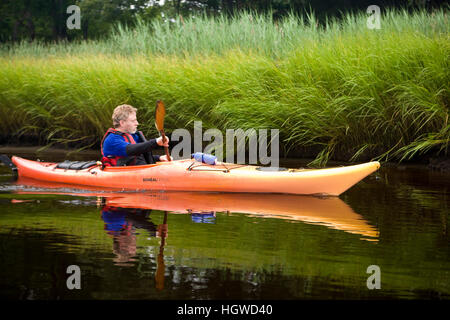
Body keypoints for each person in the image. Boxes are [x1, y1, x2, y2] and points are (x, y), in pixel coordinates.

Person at [101, 104, 171, 166]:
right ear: (122, 123)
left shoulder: (133, 136)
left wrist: (159, 158)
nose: (137, 123)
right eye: (133, 121)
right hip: (120, 175)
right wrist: (155, 142)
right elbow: (131, 150)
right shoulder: (112, 140)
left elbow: (139, 156)